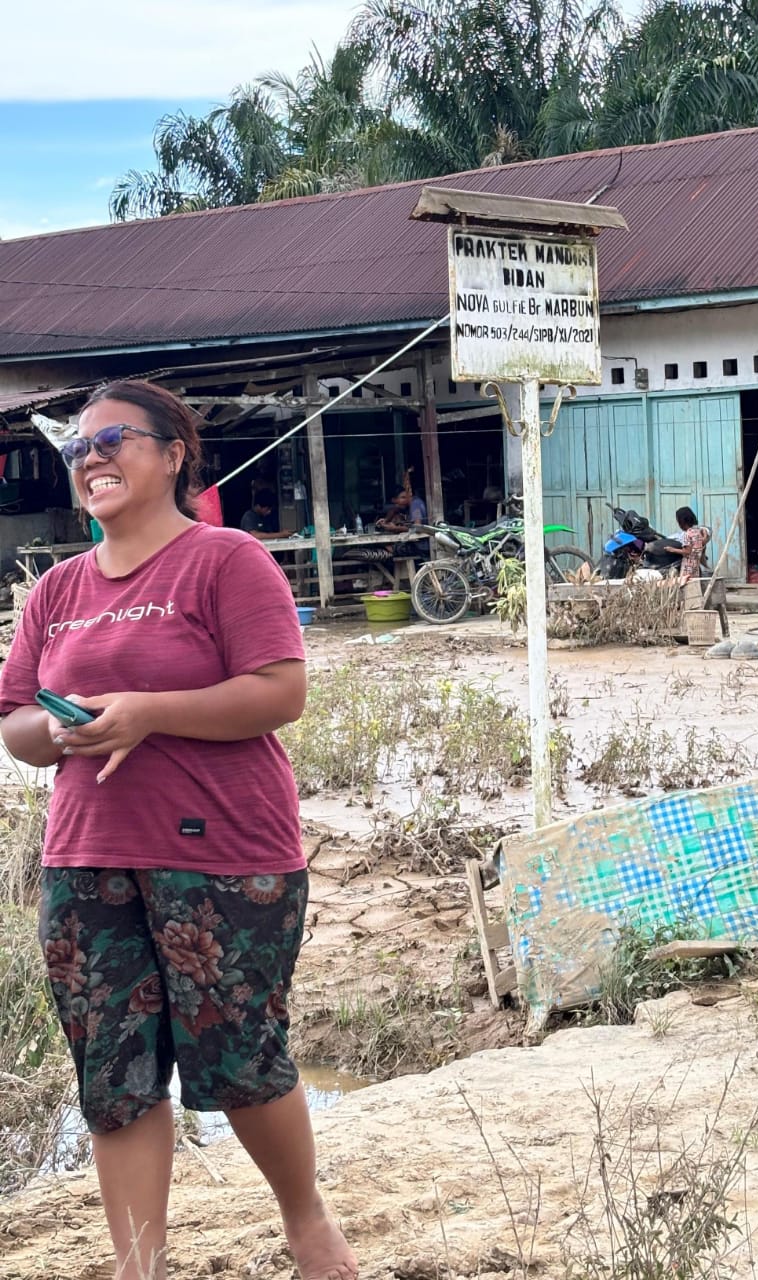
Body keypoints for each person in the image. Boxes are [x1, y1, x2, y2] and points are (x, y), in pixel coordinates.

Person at [0, 380, 357, 1280]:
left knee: (241, 1057)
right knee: (113, 1076)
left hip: (225, 850)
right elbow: (15, 729)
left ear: (172, 455)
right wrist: (67, 726)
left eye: (114, 439)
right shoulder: (57, 590)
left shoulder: (226, 560)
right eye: (77, 446)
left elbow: (282, 692)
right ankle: (139, 1265)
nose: (92, 458)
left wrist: (148, 713)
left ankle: (306, 1220)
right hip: (85, 856)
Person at [672, 505, 711, 585]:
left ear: (681, 522)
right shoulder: (698, 532)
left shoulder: (687, 534)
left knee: (685, 584)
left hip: (687, 566)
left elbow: (687, 551)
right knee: (695, 584)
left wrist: (672, 550)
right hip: (695, 566)